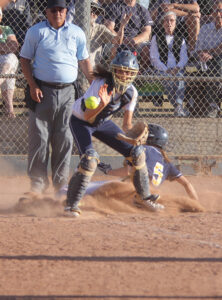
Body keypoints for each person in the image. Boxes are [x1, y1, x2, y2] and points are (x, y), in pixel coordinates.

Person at [64, 49, 163, 217]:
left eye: (128, 72)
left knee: (137, 153)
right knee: (90, 159)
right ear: (113, 70)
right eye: (120, 70)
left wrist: (134, 134)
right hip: (81, 121)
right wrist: (102, 104)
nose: (124, 75)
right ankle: (71, 205)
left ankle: (143, 198)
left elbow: (126, 124)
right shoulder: (101, 83)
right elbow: (88, 118)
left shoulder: (131, 93)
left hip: (102, 122)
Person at [20, 0, 93, 196]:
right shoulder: (36, 32)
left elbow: (84, 60)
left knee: (64, 138)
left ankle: (60, 186)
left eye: (60, 9)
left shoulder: (76, 32)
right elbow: (24, 60)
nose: (57, 13)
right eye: (53, 10)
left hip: (69, 92)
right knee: (39, 139)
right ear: (46, 11)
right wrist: (33, 85)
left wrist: (94, 84)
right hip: (41, 91)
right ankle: (37, 185)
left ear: (66, 11)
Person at [59, 123, 199, 207]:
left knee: (65, 190)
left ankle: (66, 201)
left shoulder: (145, 150)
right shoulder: (167, 162)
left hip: (129, 189)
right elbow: (187, 184)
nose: (141, 137)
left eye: (145, 135)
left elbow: (128, 171)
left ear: (151, 139)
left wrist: (109, 171)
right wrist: (195, 203)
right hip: (147, 195)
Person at [150, 11, 189, 117]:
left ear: (175, 23)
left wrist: (177, 68)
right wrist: (166, 69)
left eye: (172, 20)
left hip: (177, 70)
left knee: (180, 78)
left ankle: (178, 106)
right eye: (166, 20)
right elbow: (154, 58)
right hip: (162, 70)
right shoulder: (156, 38)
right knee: (167, 80)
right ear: (163, 23)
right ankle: (178, 107)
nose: (169, 23)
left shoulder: (181, 39)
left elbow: (184, 57)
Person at [104, 0, 153, 72]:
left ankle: (139, 75)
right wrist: (121, 39)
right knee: (115, 49)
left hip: (136, 42)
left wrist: (134, 41)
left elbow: (147, 32)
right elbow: (109, 28)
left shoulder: (142, 10)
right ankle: (113, 73)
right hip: (116, 40)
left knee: (148, 50)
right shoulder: (114, 7)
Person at [194, 0, 222, 117]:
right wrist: (203, 54)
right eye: (216, 11)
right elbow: (199, 48)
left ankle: (212, 103)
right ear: (212, 13)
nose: (219, 14)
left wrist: (210, 52)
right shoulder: (205, 28)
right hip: (207, 62)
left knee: (219, 63)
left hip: (217, 60)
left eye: (221, 10)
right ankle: (212, 104)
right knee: (214, 67)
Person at [89, 1, 132, 68]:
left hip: (93, 67)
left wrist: (122, 26)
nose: (92, 14)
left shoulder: (100, 29)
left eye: (96, 12)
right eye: (90, 10)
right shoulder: (75, 28)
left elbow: (118, 41)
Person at [0, 7, 19, 118]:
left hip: (5, 58)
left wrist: (3, 49)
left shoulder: (6, 29)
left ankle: (9, 110)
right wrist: (5, 46)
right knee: (9, 68)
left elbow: (14, 45)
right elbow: (9, 45)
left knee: (12, 58)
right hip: (3, 56)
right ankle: (9, 109)